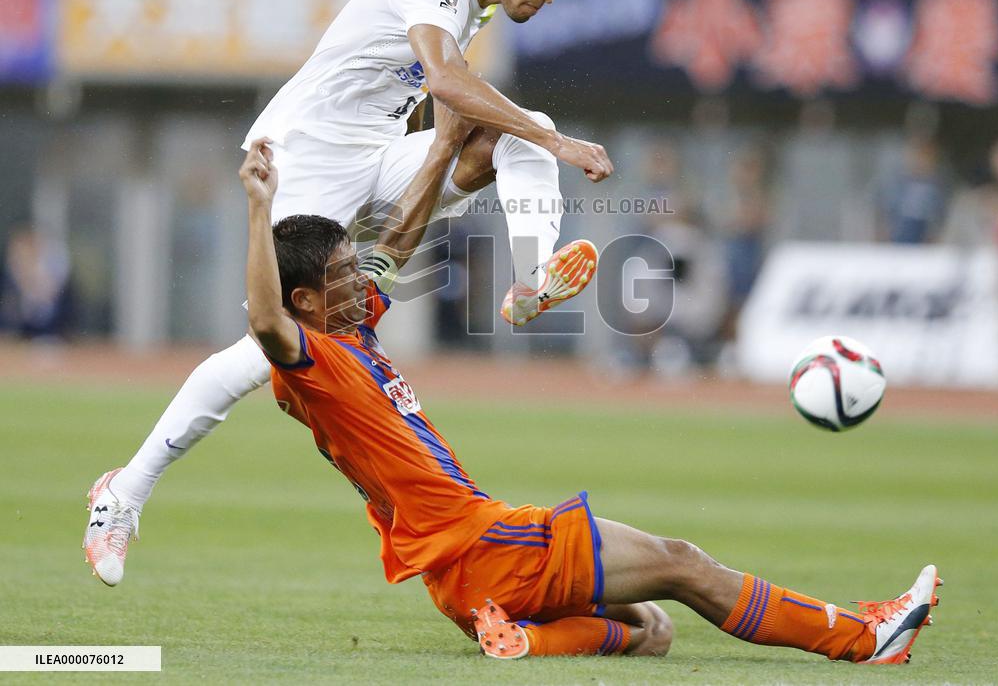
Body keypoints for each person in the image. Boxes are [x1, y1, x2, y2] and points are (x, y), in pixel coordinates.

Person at [191, 134, 939, 664]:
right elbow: (263, 318)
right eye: (347, 277)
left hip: (465, 578)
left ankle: (521, 638)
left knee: (653, 630)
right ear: (304, 300)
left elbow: (398, 240)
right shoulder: (308, 360)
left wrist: (447, 140)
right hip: (487, 547)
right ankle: (866, 637)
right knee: (682, 564)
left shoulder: (351, 333)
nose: (365, 281)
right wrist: (261, 206)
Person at [83, 0, 612, 585]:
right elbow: (447, 79)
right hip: (303, 161)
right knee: (264, 351)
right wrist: (558, 142)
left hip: (372, 158)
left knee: (518, 126)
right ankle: (121, 494)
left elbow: (425, 87)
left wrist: (458, 146)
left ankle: (531, 279)